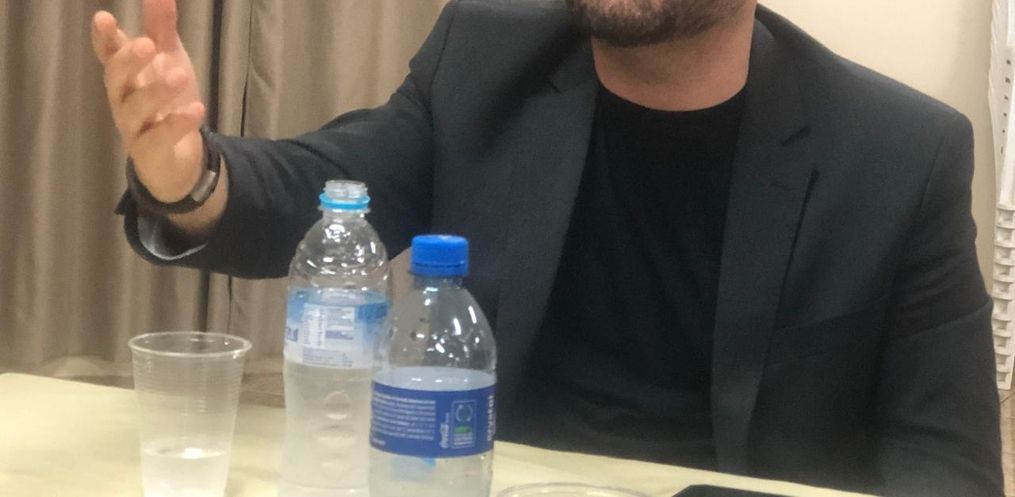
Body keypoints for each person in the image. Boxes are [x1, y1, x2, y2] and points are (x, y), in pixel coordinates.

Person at [91, 0, 1003, 495]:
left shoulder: (899, 152)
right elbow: (329, 188)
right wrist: (190, 176)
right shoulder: (484, 58)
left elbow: (949, 467)